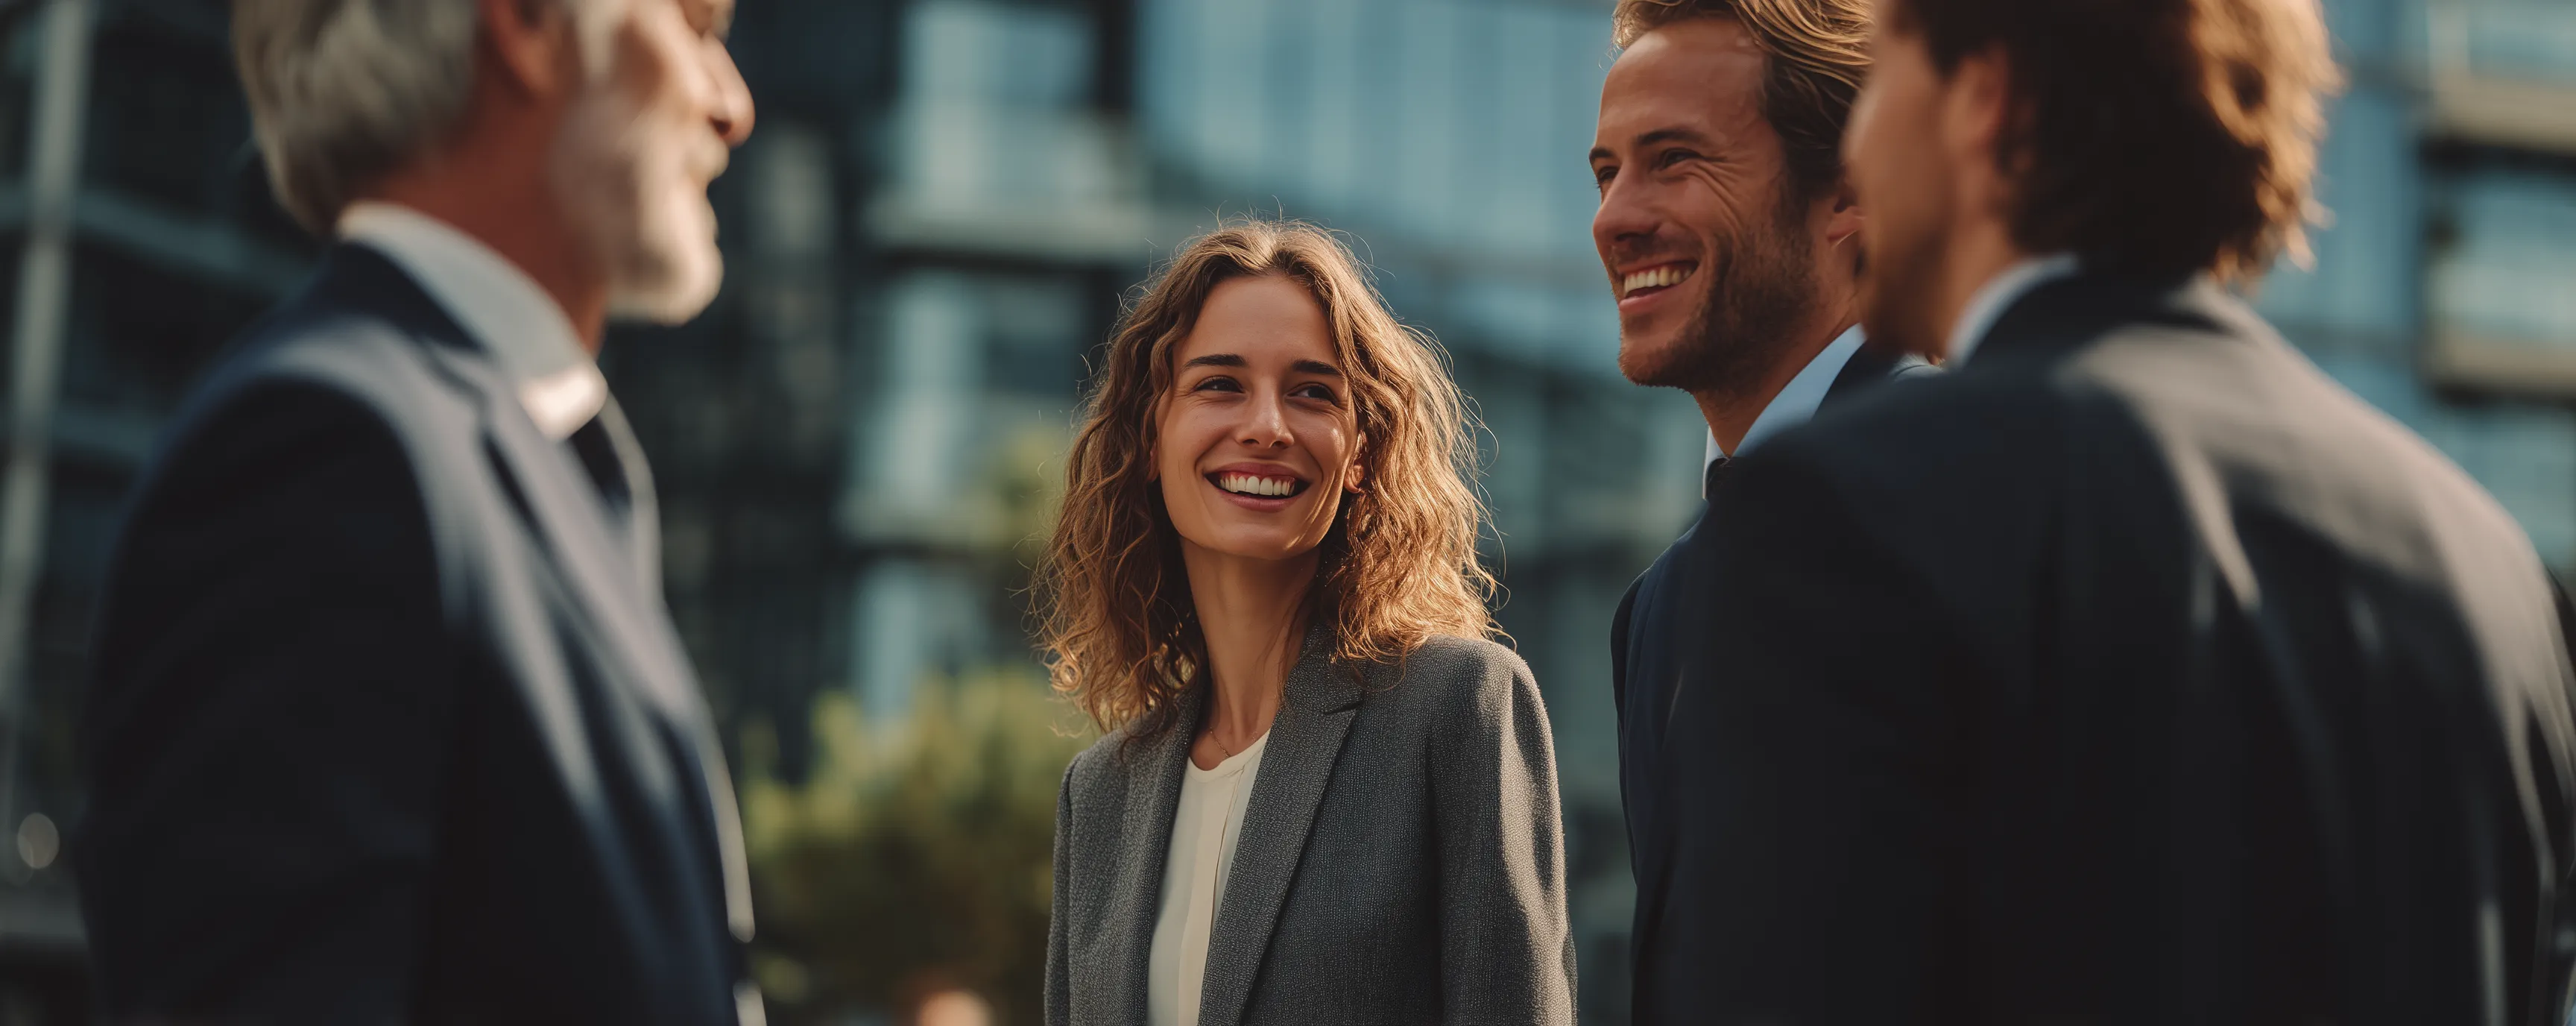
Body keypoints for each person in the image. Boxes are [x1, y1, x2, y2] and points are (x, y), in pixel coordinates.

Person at [1652, 0, 2576, 1018]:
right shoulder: (2491, 567)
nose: (1859, 156)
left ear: (1984, 101)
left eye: (1885, 86)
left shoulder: (1843, 518)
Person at [74, 0, 761, 1022]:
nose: (732, 105)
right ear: (526, 24)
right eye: (695, 26)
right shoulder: (326, 449)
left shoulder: (522, 455)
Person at [1038, 221, 1576, 1026]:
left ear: (1360, 452)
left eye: (1312, 391)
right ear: (1152, 437)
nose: (1267, 425)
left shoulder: (1457, 706)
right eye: (1220, 384)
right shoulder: (1102, 791)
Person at [1585, 0, 1922, 1016]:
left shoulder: (1961, 491)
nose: (1614, 217)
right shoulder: (1657, 606)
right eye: (1607, 172)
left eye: (1675, 160)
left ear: (1851, 192)